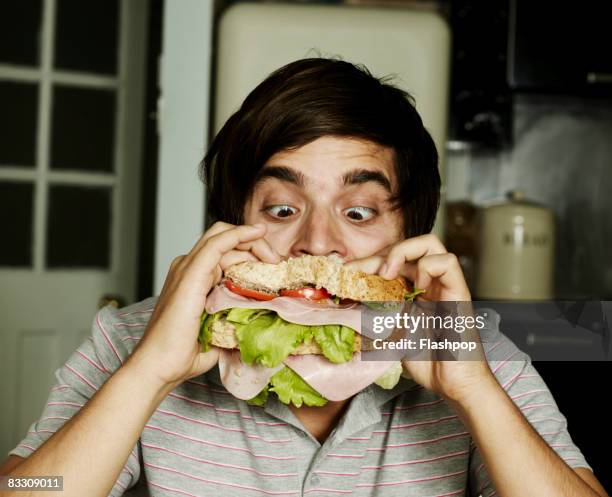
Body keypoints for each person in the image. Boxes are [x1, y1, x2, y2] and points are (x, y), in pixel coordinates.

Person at [0, 58, 608, 497]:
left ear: (410, 233)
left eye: (360, 212)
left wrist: (475, 391)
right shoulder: (136, 338)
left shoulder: (463, 347)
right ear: (231, 224)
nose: (319, 242)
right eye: (282, 209)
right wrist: (146, 374)